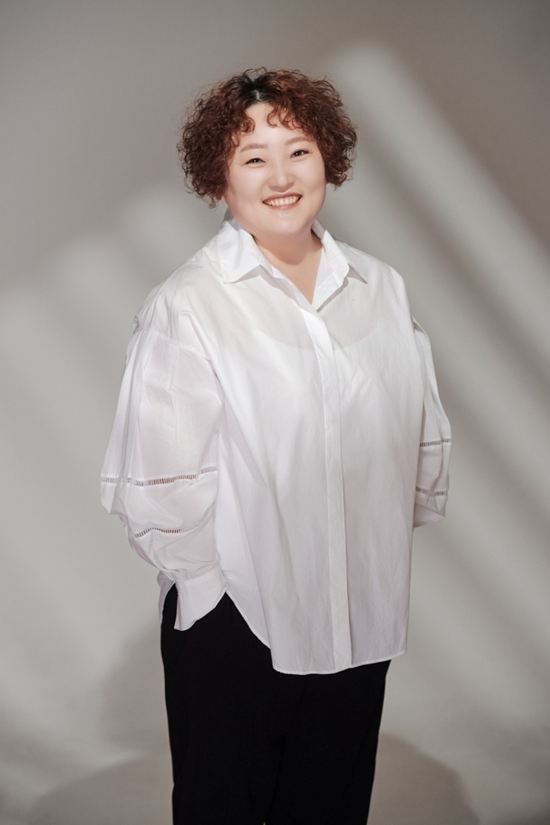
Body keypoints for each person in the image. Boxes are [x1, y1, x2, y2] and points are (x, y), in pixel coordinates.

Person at [100, 68, 451, 825]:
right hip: (238, 612)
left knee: (330, 808)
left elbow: (413, 432)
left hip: (356, 607)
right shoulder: (190, 303)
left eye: (298, 150)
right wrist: (210, 593)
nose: (281, 176)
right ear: (219, 177)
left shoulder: (381, 289)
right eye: (254, 157)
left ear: (329, 158)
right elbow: (158, 472)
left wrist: (370, 546)